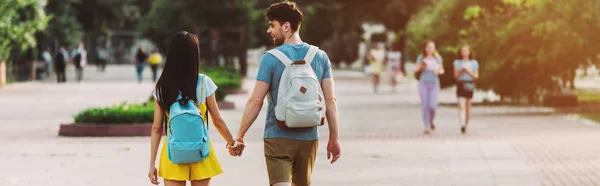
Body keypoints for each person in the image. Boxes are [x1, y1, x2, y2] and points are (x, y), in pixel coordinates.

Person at [234, 2, 341, 186]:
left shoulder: (270, 58)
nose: (269, 30)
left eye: (272, 25)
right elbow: (331, 100)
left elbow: (255, 101)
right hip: (309, 138)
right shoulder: (320, 57)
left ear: (286, 26)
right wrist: (334, 137)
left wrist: (240, 135)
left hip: (278, 136)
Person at [148, 31, 244, 186]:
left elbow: (156, 128)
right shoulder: (204, 82)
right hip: (201, 150)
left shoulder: (162, 86)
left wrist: (152, 164)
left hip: (173, 153)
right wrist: (232, 143)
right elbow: (217, 120)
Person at [414, 40, 444, 135]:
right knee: (425, 105)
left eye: (432, 47)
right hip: (423, 83)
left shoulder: (437, 58)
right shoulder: (421, 58)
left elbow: (442, 70)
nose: (430, 49)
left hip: (434, 83)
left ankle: (431, 121)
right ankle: (426, 126)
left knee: (432, 105)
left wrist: (438, 71)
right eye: (429, 47)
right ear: (425, 48)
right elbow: (416, 70)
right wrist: (422, 67)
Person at [453, 44, 479, 134]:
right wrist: (461, 71)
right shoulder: (457, 63)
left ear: (469, 52)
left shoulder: (474, 63)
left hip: (469, 83)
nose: (464, 53)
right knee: (461, 104)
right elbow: (456, 76)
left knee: (468, 106)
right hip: (461, 83)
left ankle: (466, 124)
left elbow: (476, 76)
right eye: (462, 51)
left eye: (466, 51)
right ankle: (462, 124)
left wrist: (468, 71)